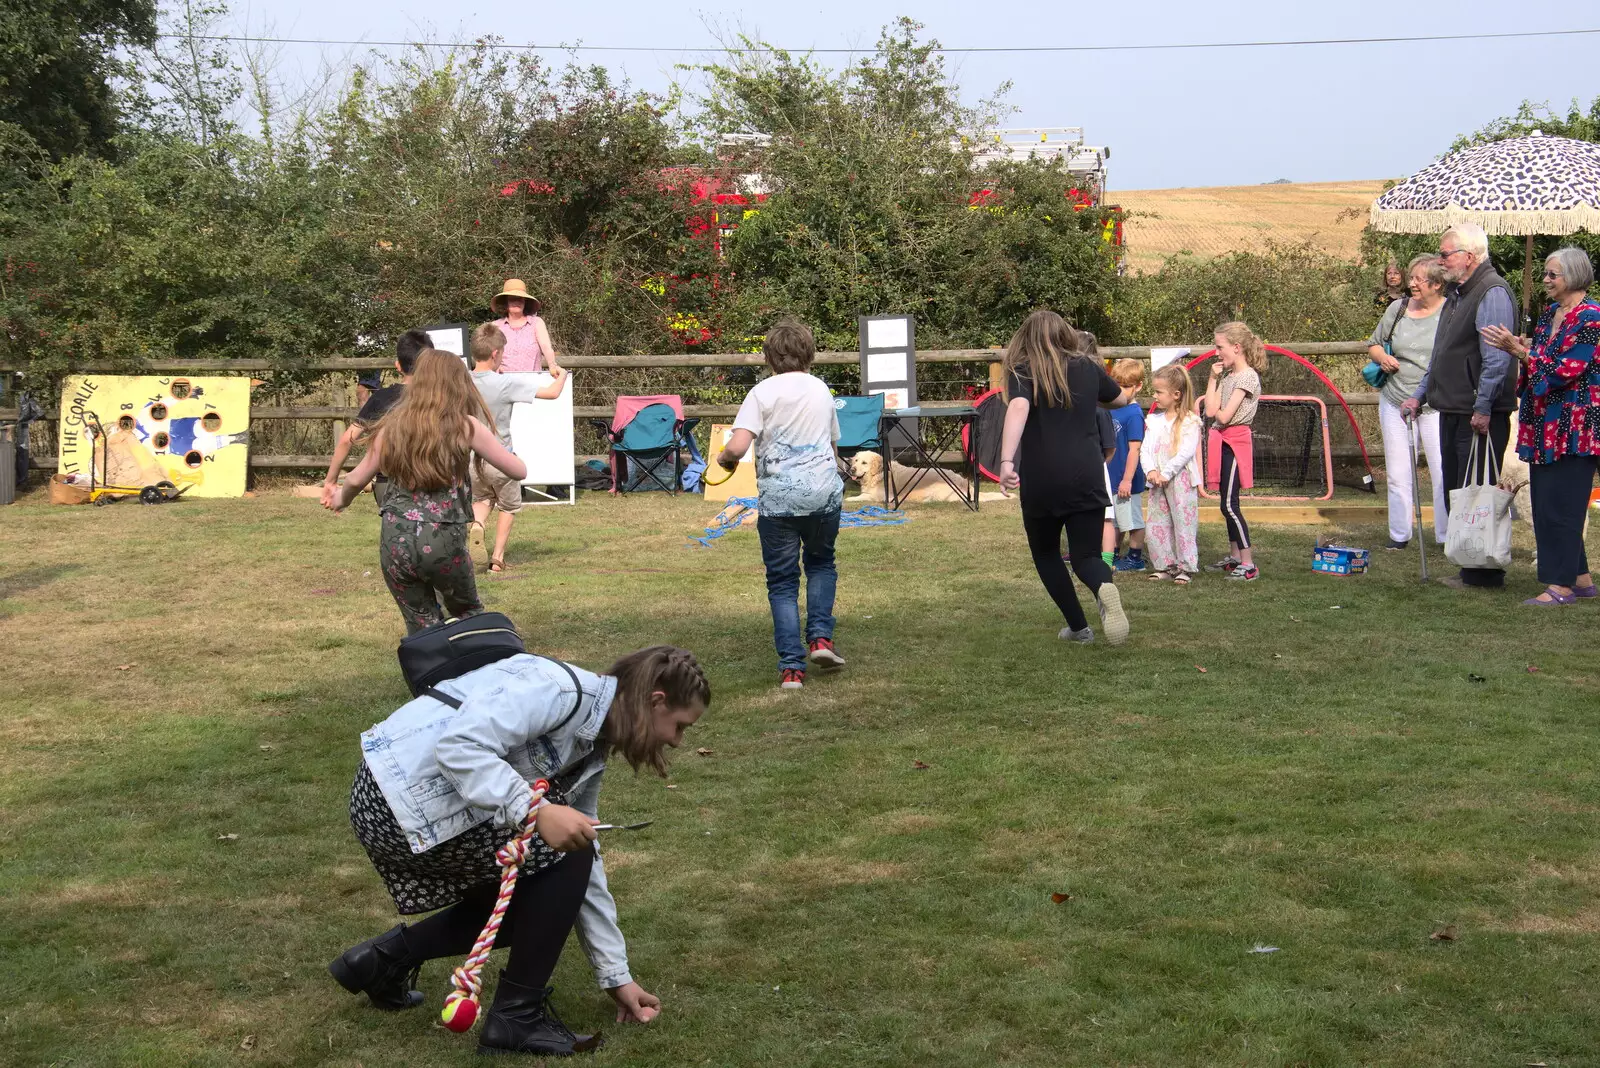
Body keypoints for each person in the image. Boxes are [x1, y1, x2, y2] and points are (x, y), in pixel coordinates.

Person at [328, 645, 708, 1056]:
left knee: (552, 886)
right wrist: (537, 811)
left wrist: (616, 976)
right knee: (564, 857)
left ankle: (383, 961)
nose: (677, 741)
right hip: (396, 804)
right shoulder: (559, 691)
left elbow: (583, 868)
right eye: (680, 726)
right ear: (656, 701)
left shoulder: (590, 742)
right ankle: (517, 1017)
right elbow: (459, 747)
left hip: (413, 803)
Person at [327, 350, 527, 634]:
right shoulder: (466, 426)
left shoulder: (391, 426)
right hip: (443, 538)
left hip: (396, 539)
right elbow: (518, 471)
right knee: (468, 616)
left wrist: (340, 499)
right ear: (458, 384)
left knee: (421, 624)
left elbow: (357, 478)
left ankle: (431, 673)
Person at [715, 320, 846, 689]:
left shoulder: (761, 392)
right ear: (809, 353)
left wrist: (724, 460)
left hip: (779, 501)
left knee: (783, 582)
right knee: (821, 564)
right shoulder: (821, 389)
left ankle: (792, 668)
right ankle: (820, 638)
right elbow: (833, 446)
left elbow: (738, 446)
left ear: (770, 356)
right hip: (823, 494)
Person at [996, 309, 1130, 645]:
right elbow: (1121, 399)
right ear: (1065, 335)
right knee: (1086, 557)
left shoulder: (1022, 369)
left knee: (1046, 554)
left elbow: (1019, 408)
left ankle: (1079, 628)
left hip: (1043, 477)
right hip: (1087, 473)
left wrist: (1006, 460)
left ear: (1025, 338)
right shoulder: (1087, 367)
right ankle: (1104, 587)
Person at [1401, 222, 1517, 590]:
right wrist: (1419, 395)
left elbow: (1496, 358)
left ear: (1469, 256)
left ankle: (1485, 573)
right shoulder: (1458, 294)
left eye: (1446, 253)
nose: (1441, 260)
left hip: (1477, 414)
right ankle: (1470, 567)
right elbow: (1440, 355)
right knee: (1458, 491)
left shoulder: (1491, 292)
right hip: (1451, 408)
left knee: (1479, 493)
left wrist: (1482, 407)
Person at [1482, 247, 1600, 605]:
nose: (1546, 280)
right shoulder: (1551, 313)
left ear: (1575, 276)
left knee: (1564, 505)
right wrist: (1524, 347)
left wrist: (1521, 354)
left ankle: (1560, 587)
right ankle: (1579, 580)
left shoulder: (1591, 318)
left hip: (1575, 425)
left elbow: (1566, 370)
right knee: (1548, 502)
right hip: (1543, 422)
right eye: (1546, 274)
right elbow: (1543, 361)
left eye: (1553, 274)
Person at [467, 324, 571, 573]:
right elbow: (552, 393)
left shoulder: (462, 382)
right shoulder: (506, 383)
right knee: (508, 505)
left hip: (471, 459)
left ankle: (478, 524)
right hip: (501, 457)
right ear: (495, 354)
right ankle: (497, 558)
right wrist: (562, 374)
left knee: (481, 498)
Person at [1368, 254, 1448, 550]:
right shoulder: (1397, 308)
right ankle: (1399, 535)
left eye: (1418, 279)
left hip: (1437, 404)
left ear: (1438, 284)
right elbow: (1374, 343)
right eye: (1410, 277)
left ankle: (1445, 535)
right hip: (1395, 400)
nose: (1411, 283)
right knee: (1399, 472)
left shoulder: (1451, 312)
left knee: (1442, 471)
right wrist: (1383, 357)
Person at [322, 329, 432, 509]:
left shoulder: (380, 398)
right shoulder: (439, 398)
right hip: (430, 481)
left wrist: (330, 481)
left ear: (398, 365)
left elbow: (346, 440)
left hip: (388, 484)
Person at [1200, 322, 1266, 581]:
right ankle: (1235, 557)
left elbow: (1224, 415)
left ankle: (1248, 563)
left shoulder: (1248, 377)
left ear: (1237, 348)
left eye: (1220, 347)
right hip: (1222, 439)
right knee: (1224, 503)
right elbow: (1209, 411)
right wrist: (1213, 378)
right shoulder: (1227, 376)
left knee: (1230, 504)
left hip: (1236, 441)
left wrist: (1217, 408)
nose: (1216, 353)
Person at [1142, 364, 1202, 584]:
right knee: (1158, 522)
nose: (1154, 396)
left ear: (1176, 394)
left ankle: (1185, 565)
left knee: (1183, 523)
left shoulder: (1190, 422)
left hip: (1180, 480)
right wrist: (1150, 470)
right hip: (1157, 480)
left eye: (1159, 392)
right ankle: (1164, 564)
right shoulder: (1154, 421)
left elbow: (1185, 452)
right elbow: (1146, 449)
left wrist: (1166, 473)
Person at [1107, 359, 1148, 572]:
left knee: (1132, 520)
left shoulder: (1134, 414)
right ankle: (1112, 553)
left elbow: (1134, 449)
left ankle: (1135, 558)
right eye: (1117, 385)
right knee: (1114, 519)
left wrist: (1127, 479)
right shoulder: (1112, 408)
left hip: (1127, 479)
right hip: (1112, 477)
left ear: (1138, 386)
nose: (1120, 391)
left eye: (1125, 386)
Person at [491, 279, 566, 376]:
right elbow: (489, 354)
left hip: (533, 385)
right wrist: (494, 367)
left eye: (520, 299)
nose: (516, 302)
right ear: (506, 302)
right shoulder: (495, 326)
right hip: (503, 383)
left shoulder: (537, 323)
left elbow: (546, 347)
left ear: (525, 302)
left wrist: (552, 365)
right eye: (512, 298)